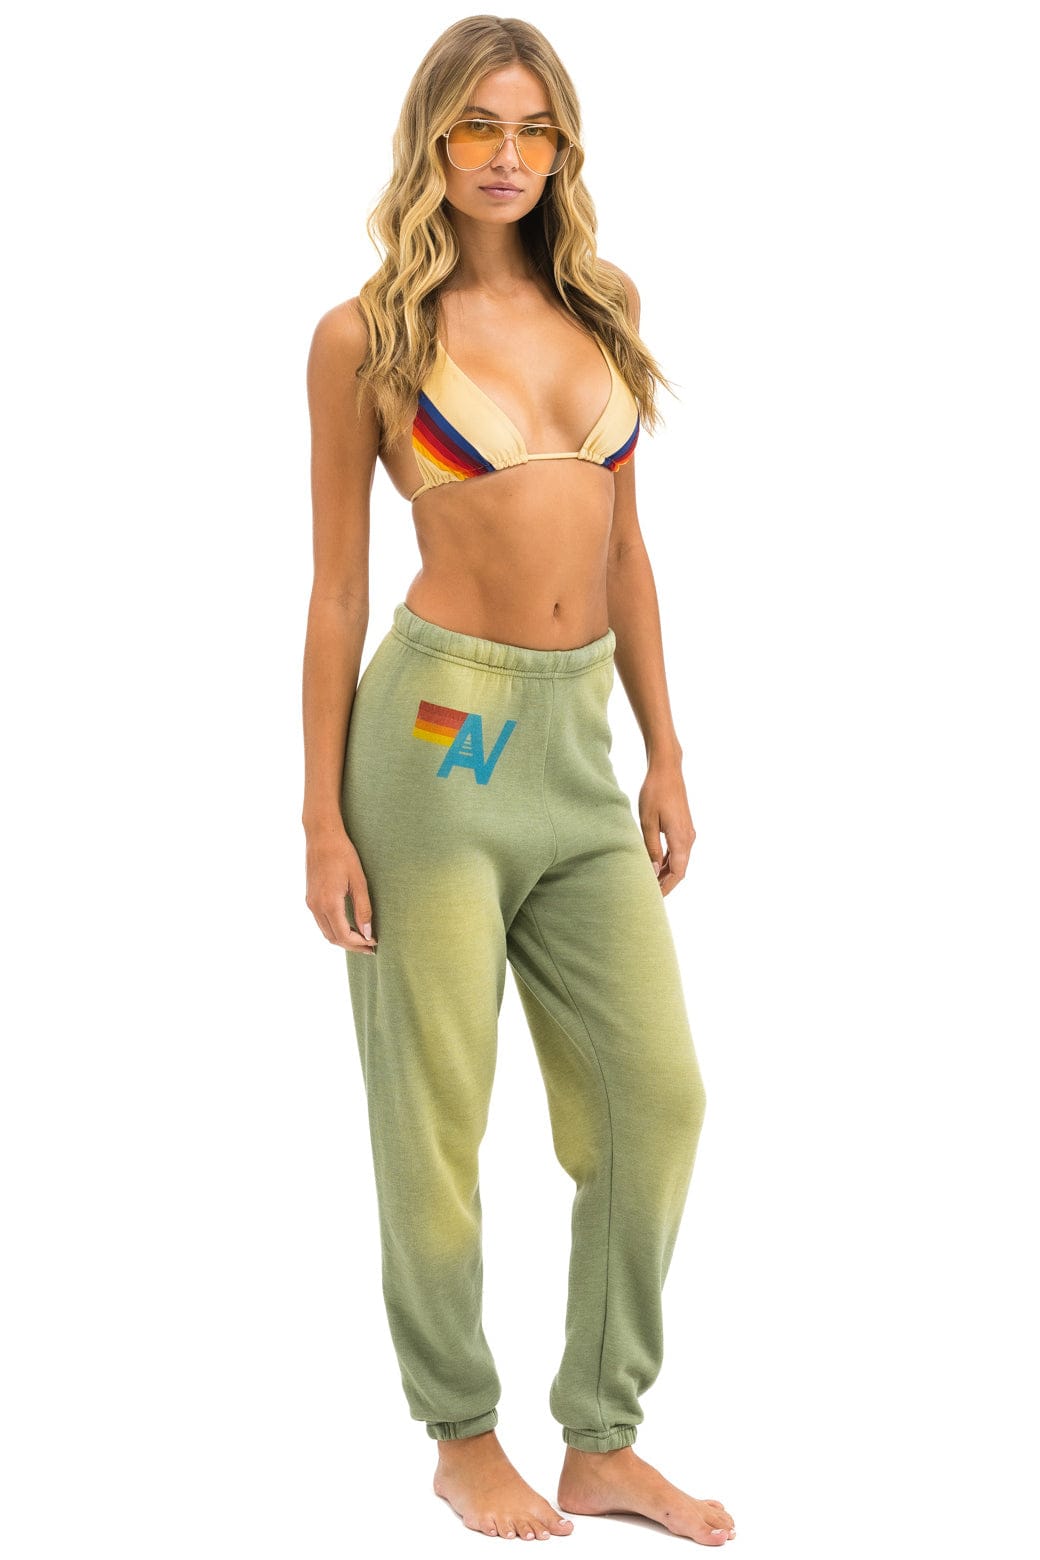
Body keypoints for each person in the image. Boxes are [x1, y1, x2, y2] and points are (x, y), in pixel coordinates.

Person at [301, 14, 735, 1547]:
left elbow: (628, 554)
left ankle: (602, 1439)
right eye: (476, 127)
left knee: (655, 1096)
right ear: (431, 141)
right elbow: (339, 592)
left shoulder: (604, 307)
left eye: (532, 129)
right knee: (436, 1114)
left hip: (572, 745)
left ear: (563, 148)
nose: (504, 156)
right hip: (439, 739)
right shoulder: (367, 336)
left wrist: (665, 747)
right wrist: (319, 816)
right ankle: (462, 1433)